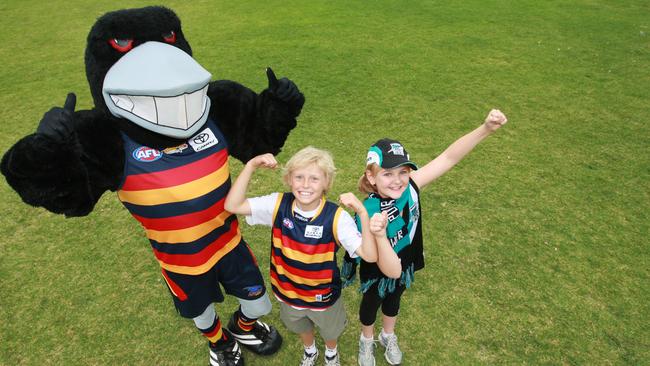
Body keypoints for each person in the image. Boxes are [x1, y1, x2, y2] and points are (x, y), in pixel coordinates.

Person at [348, 109, 508, 366]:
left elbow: (448, 158)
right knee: (372, 301)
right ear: (371, 176)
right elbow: (377, 260)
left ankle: (388, 334)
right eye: (387, 174)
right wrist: (376, 232)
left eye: (403, 172)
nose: (398, 180)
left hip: (406, 257)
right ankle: (367, 339)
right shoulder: (367, 211)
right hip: (379, 266)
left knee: (396, 296)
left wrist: (485, 129)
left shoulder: (411, 185)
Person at [225, 146, 400, 366]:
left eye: (314, 178)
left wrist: (363, 213)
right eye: (299, 177)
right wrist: (250, 165)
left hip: (323, 298)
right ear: (289, 179)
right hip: (288, 294)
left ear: (326, 183)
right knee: (301, 327)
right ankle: (310, 350)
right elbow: (232, 205)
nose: (305, 185)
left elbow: (369, 255)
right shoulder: (278, 204)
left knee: (329, 331)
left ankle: (330, 352)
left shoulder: (336, 217)